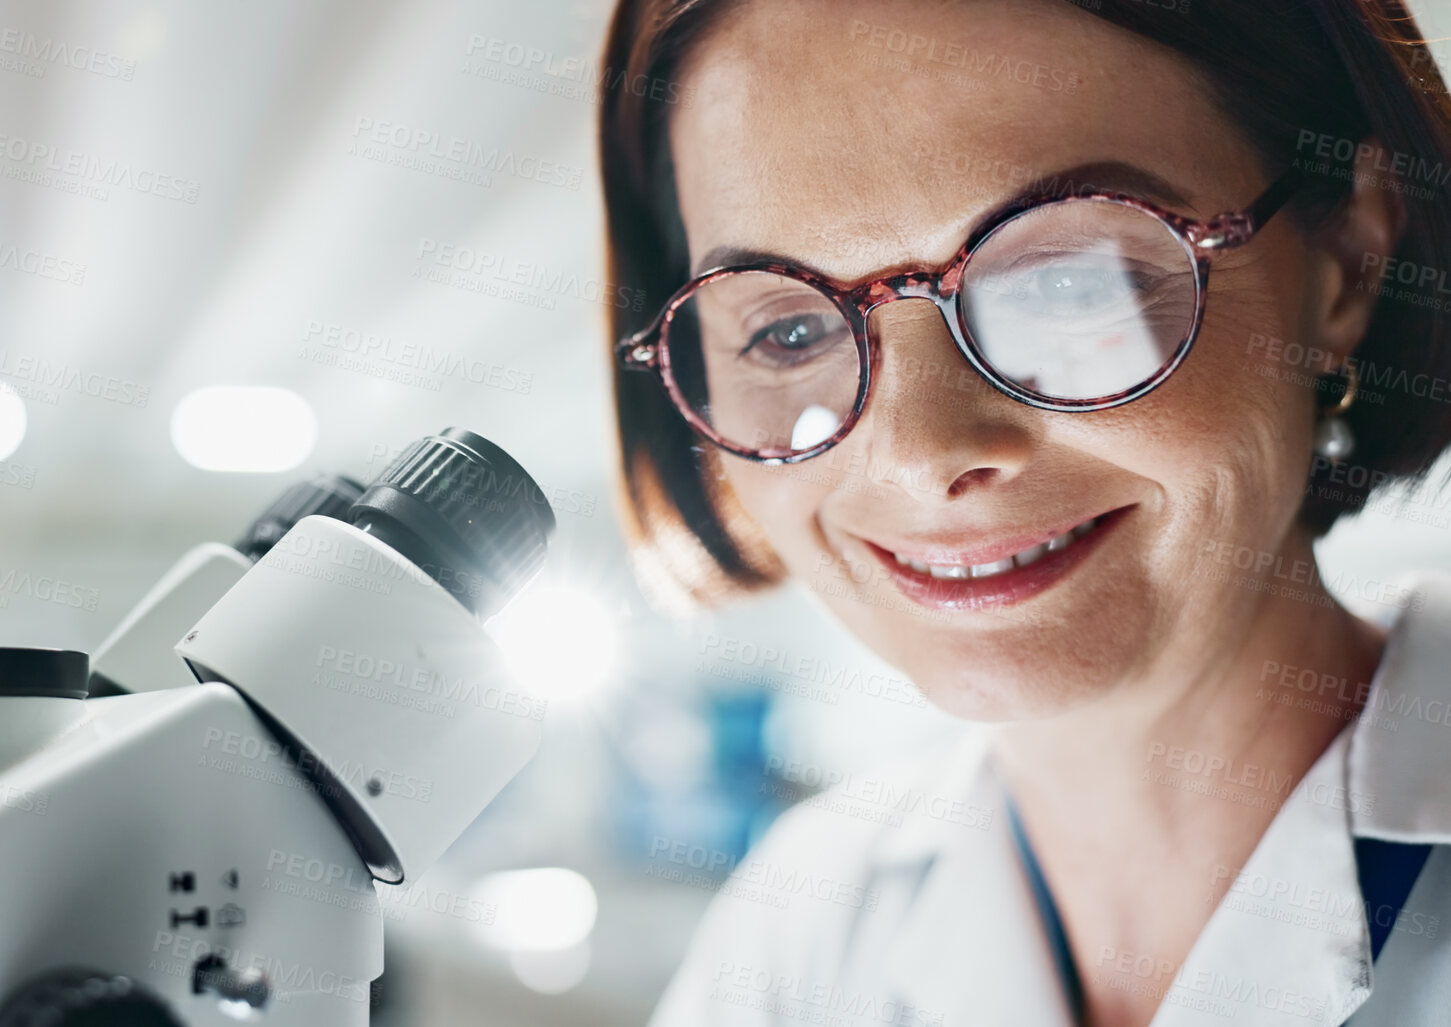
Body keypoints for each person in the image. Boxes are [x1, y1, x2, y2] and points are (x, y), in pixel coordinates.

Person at [597, 2, 1451, 1025]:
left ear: (1350, 259)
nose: (920, 456)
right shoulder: (795, 934)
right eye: (786, 331)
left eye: (1062, 279)